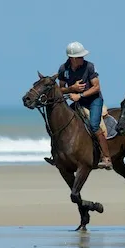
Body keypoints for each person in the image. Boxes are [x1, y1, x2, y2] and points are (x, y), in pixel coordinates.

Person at [43, 41, 112, 170]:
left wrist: (80, 95)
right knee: (63, 125)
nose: (82, 58)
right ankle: (56, 155)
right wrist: (72, 88)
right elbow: (60, 89)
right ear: (72, 58)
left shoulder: (90, 67)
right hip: (77, 101)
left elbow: (96, 87)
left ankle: (106, 158)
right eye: (80, 56)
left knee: (94, 124)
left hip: (94, 101)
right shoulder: (63, 69)